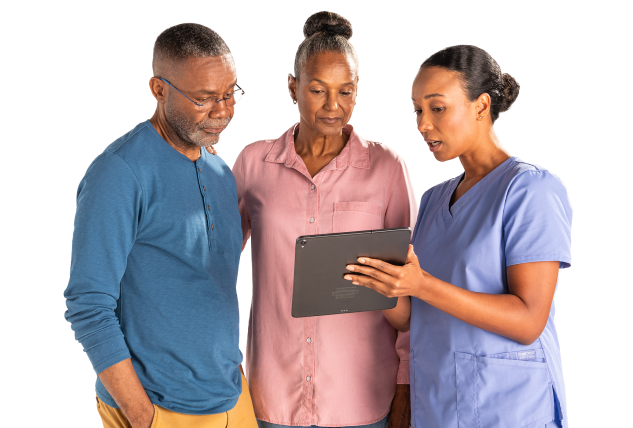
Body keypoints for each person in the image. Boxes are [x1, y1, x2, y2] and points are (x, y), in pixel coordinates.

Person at [343, 44, 572, 428]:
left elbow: (530, 319)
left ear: (481, 106)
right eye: (417, 110)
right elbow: (414, 317)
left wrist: (422, 284)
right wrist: (378, 284)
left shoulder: (532, 190)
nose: (422, 124)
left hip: (508, 407)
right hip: (438, 404)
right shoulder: (433, 199)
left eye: (437, 108)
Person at [63, 22, 257, 428]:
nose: (223, 111)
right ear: (158, 89)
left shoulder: (221, 172)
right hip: (158, 408)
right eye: (204, 98)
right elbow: (87, 304)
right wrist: (142, 415)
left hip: (232, 397)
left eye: (230, 93)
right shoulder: (119, 173)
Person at [229, 10, 416, 428]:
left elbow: (412, 285)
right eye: (317, 90)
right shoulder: (253, 163)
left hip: (362, 400)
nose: (334, 106)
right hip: (272, 398)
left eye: (346, 91)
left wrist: (406, 382)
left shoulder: (386, 168)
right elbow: (215, 263)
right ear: (293, 87)